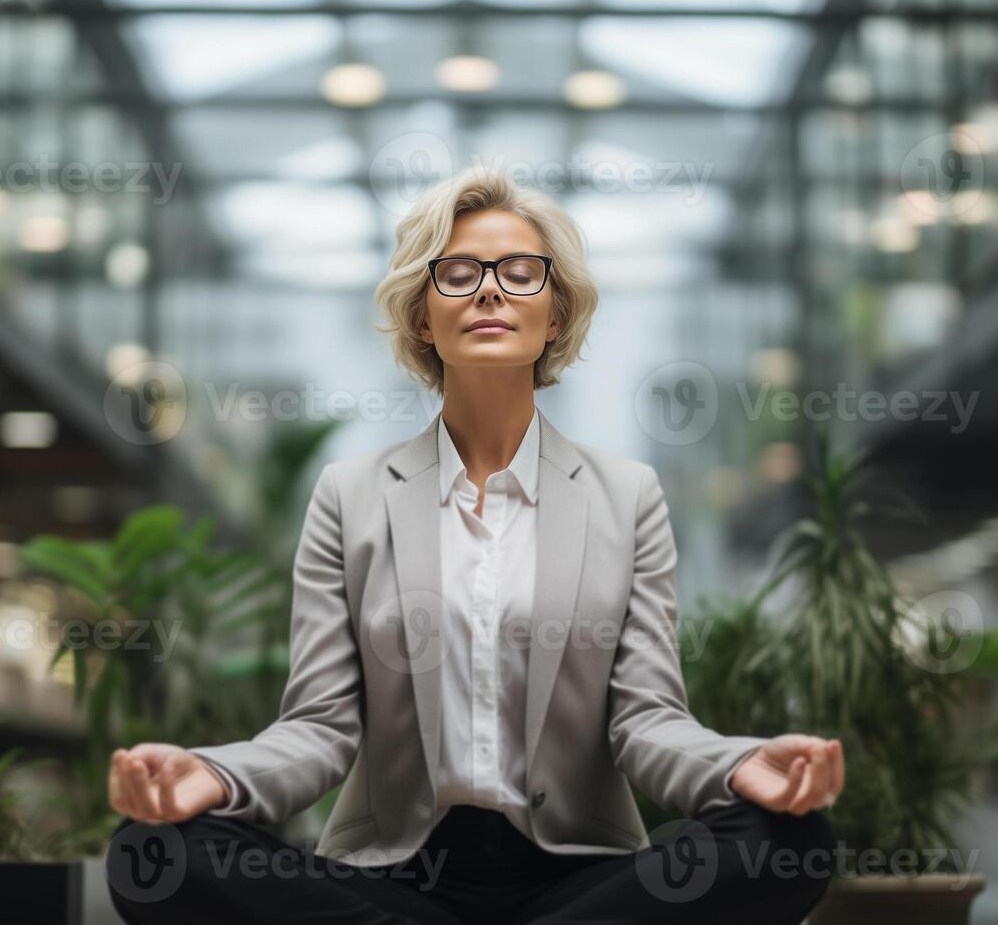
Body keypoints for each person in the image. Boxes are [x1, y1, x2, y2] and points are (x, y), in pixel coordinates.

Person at [103, 169, 842, 924]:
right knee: (150, 854)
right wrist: (211, 776)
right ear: (423, 316)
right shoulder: (351, 495)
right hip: (397, 880)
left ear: (555, 313)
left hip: (578, 881)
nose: (490, 291)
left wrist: (741, 765)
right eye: (457, 273)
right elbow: (320, 730)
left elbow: (646, 722)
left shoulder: (627, 496)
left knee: (791, 841)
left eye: (521, 273)